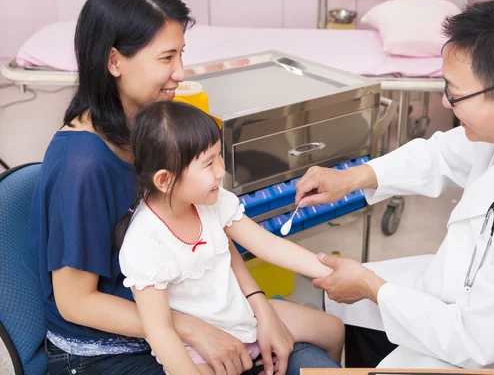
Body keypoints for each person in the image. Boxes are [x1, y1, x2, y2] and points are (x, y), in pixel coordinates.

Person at [29, 0, 340, 374]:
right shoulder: (83, 165)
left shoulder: (151, 131)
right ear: (114, 62)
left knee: (323, 337)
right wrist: (192, 329)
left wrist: (259, 304)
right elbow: (75, 302)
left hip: (180, 306)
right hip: (105, 348)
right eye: (166, 58)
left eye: (181, 55)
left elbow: (212, 232)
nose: (180, 72)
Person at [294, 0, 494, 369]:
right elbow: (442, 154)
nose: (444, 100)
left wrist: (373, 288)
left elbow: (477, 340)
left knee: (370, 305)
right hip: (475, 290)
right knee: (355, 310)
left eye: (454, 92)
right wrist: (350, 178)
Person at [115, 101, 344, 375]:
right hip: (200, 349)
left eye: (219, 156)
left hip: (242, 314)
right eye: (208, 163)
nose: (220, 171)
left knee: (334, 329)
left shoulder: (211, 200)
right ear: (165, 181)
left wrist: (333, 271)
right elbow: (161, 332)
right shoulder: (144, 242)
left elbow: (267, 244)